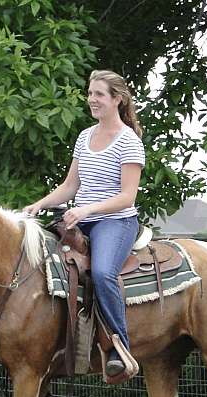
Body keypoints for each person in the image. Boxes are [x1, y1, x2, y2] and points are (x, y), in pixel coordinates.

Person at [23, 69, 145, 377]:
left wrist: (86, 211)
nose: (92, 100)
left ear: (117, 99)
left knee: (103, 273)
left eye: (99, 94)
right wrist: (40, 203)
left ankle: (120, 348)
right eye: (90, 93)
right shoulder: (85, 136)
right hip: (83, 218)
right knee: (41, 263)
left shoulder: (129, 142)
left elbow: (127, 197)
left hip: (115, 222)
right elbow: (70, 186)